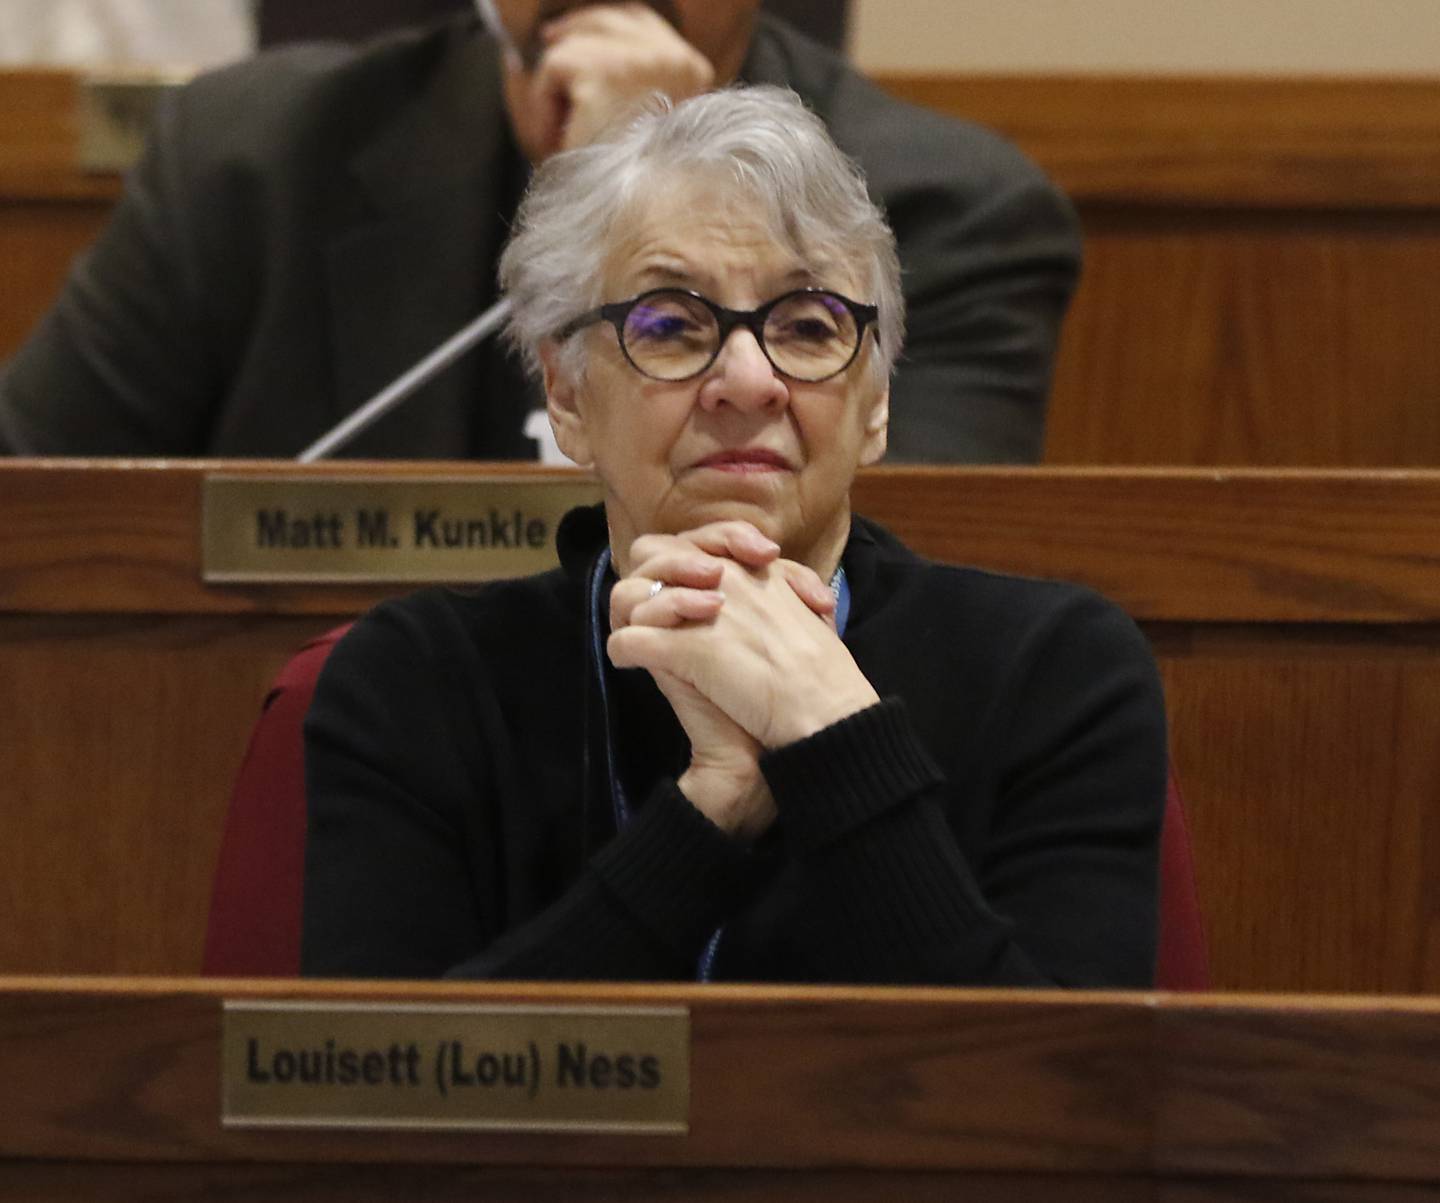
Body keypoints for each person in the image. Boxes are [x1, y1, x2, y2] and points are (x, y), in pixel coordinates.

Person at [301, 87, 1164, 986]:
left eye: (807, 326)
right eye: (671, 326)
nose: (748, 381)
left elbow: (1064, 1097)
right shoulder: (417, 683)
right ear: (565, 395)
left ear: (876, 404)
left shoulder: (1055, 673)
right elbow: (398, 1099)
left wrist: (830, 734)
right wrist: (710, 809)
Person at [0, 0, 1079, 463]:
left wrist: (651, 183)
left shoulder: (946, 214)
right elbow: (30, 510)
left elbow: (896, 603)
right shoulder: (252, 160)